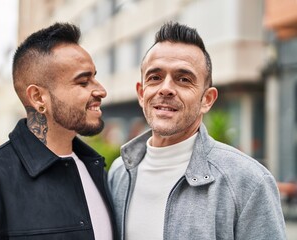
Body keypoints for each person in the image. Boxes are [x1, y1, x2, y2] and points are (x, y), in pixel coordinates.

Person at [108, 21, 286, 240]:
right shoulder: (119, 173)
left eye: (184, 79)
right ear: (141, 93)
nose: (166, 89)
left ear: (207, 100)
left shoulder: (249, 183)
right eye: (155, 77)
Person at [0, 22, 115, 240]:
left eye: (95, 77)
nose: (101, 90)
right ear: (39, 98)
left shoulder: (100, 172)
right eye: (83, 82)